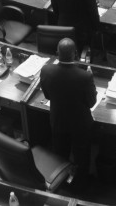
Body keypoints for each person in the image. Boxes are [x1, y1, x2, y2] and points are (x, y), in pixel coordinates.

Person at [40, 38, 97, 182]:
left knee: (60, 154)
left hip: (58, 120)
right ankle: (81, 182)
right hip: (80, 125)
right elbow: (91, 103)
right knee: (81, 156)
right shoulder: (85, 76)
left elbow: (47, 95)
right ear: (76, 54)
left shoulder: (46, 70)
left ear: (57, 53)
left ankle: (60, 180)